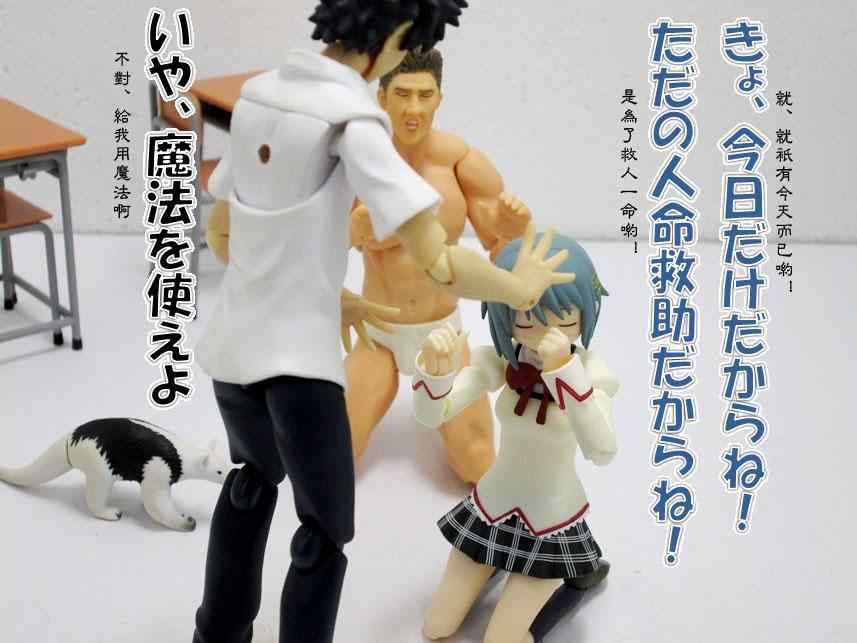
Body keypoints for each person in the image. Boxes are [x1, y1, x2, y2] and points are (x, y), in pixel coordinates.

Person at [191, 2, 573, 643]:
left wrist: (317, 293)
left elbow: (226, 229)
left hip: (232, 350)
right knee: (323, 530)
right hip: (300, 368)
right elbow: (440, 262)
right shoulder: (354, 120)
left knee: (250, 484)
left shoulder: (257, 94)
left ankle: (215, 635)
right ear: (393, 37)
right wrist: (519, 286)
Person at [412, 231, 618, 643]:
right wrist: (435, 373)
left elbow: (602, 449)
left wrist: (563, 371)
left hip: (550, 518)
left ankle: (568, 587)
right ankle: (494, 567)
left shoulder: (591, 373)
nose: (544, 331)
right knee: (436, 626)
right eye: (527, 317)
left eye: (564, 318)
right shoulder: (500, 362)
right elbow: (433, 415)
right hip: (493, 507)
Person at [347, 48, 531, 483]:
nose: (414, 109)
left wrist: (514, 227)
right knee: (333, 451)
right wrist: (355, 229)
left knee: (477, 463)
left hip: (442, 334)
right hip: (378, 331)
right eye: (403, 94)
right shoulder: (356, 160)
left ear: (439, 98)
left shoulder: (460, 162)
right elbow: (317, 243)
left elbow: (503, 249)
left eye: (424, 95)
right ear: (382, 97)